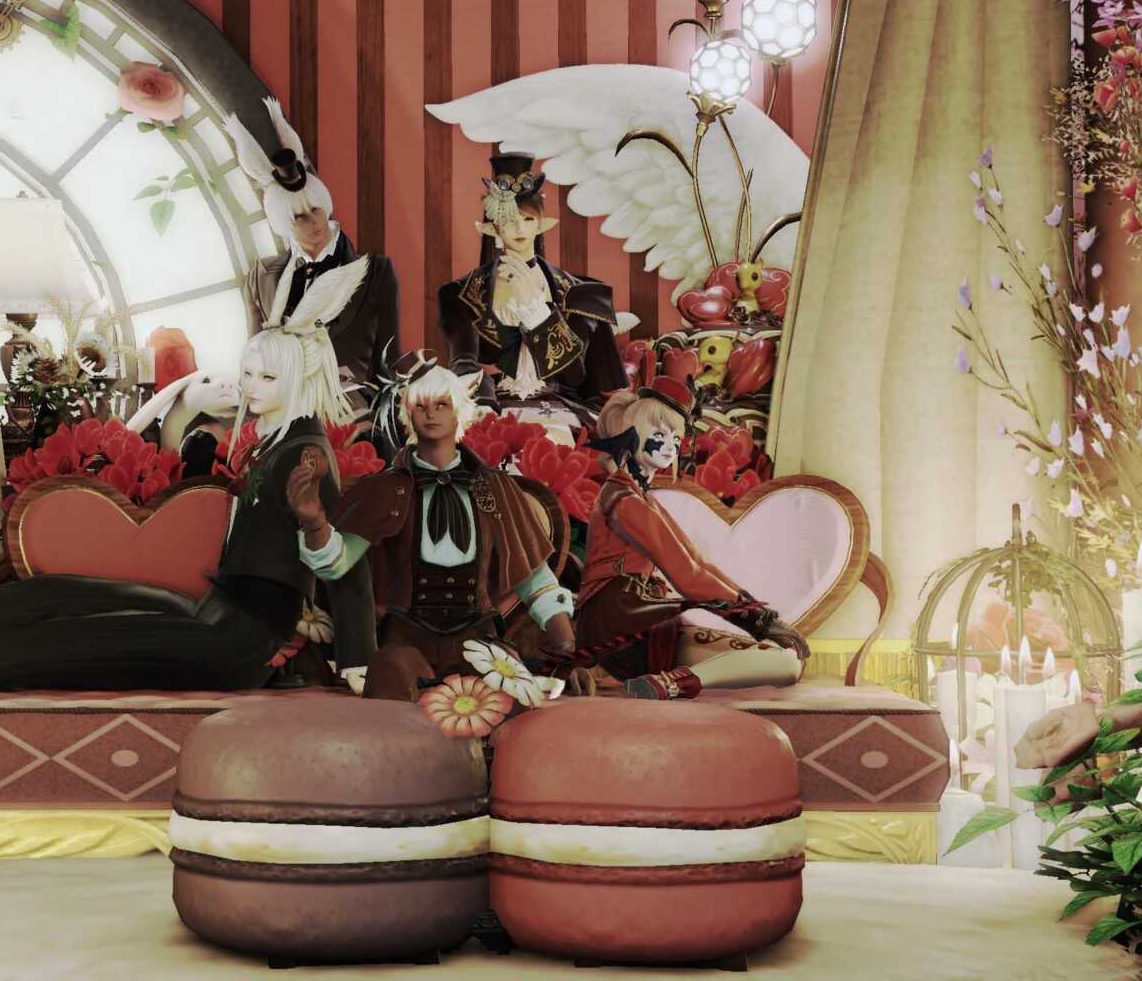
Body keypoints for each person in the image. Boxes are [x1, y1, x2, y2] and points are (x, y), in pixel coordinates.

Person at [0, 269, 371, 691]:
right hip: (215, 611)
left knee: (64, 640)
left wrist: (357, 659)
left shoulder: (306, 457)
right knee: (54, 592)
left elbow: (343, 561)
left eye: (267, 377)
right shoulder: (277, 441)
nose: (249, 387)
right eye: (248, 373)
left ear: (300, 378)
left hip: (235, 643)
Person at [295, 364, 577, 702]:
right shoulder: (385, 488)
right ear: (408, 414)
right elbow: (337, 563)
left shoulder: (496, 487)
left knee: (508, 697)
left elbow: (535, 580)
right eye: (421, 406)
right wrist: (314, 523)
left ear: (460, 411)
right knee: (388, 681)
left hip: (480, 640)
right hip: (406, 640)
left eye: (441, 405)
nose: (431, 414)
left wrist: (569, 650)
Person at [573, 379, 807, 699]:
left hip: (629, 621)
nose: (670, 446)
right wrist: (760, 621)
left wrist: (761, 617)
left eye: (676, 438)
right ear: (631, 435)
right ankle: (671, 684)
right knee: (784, 663)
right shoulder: (624, 500)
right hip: (624, 625)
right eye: (659, 435)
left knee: (785, 662)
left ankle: (669, 682)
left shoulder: (636, 496)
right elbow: (687, 574)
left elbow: (697, 562)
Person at [230, 98, 401, 404]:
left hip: (352, 406)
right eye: (299, 217)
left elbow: (389, 358)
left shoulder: (375, 271)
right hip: (283, 405)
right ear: (283, 222)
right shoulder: (261, 277)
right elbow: (254, 356)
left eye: (316, 209)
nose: (313, 222)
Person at [436, 152, 623, 416]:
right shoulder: (461, 294)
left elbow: (574, 375)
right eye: (509, 221)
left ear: (540, 224)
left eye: (528, 219)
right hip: (491, 406)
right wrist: (484, 406)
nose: (520, 229)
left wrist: (538, 314)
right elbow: (463, 363)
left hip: (562, 407)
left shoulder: (577, 291)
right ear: (494, 227)